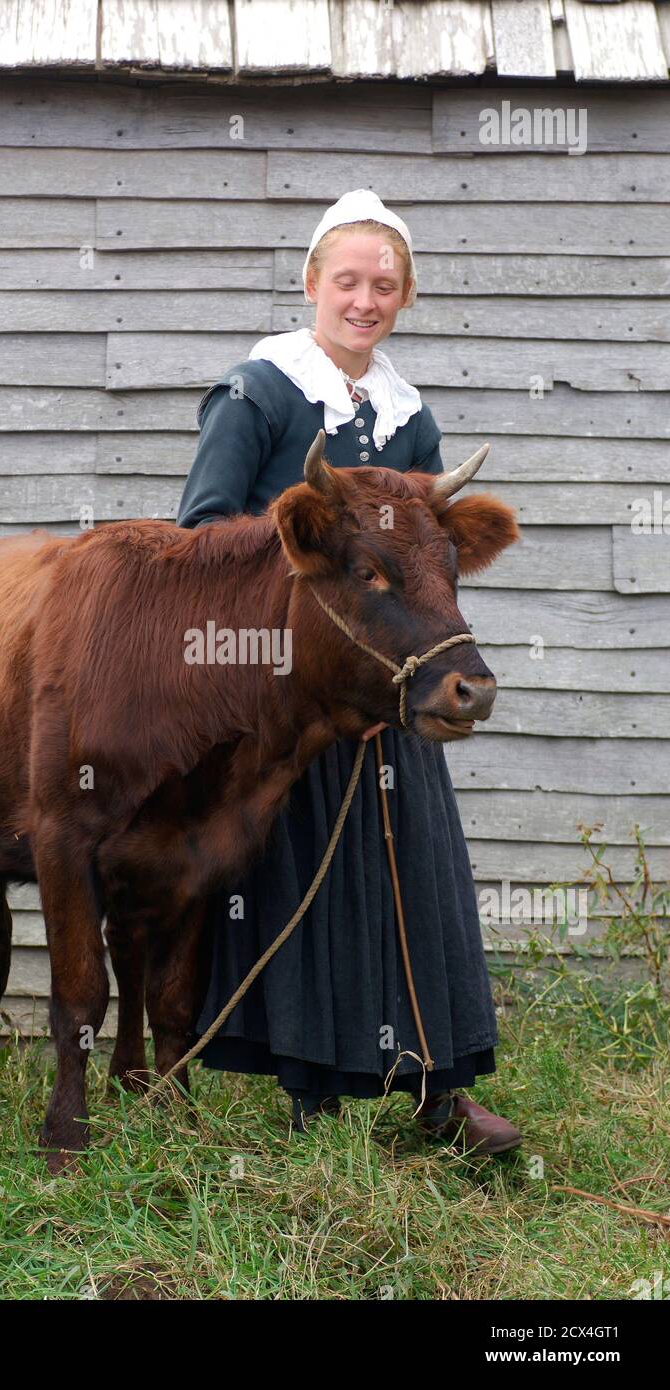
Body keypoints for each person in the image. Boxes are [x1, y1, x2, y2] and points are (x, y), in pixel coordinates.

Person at [175, 189, 522, 1155]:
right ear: (310, 284)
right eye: (347, 282)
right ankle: (310, 1099)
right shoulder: (257, 393)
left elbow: (424, 556)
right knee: (304, 886)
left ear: (402, 297)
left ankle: (436, 1097)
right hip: (290, 699)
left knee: (415, 878)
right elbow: (200, 535)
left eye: (383, 286)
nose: (363, 301)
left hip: (390, 691)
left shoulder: (409, 418)